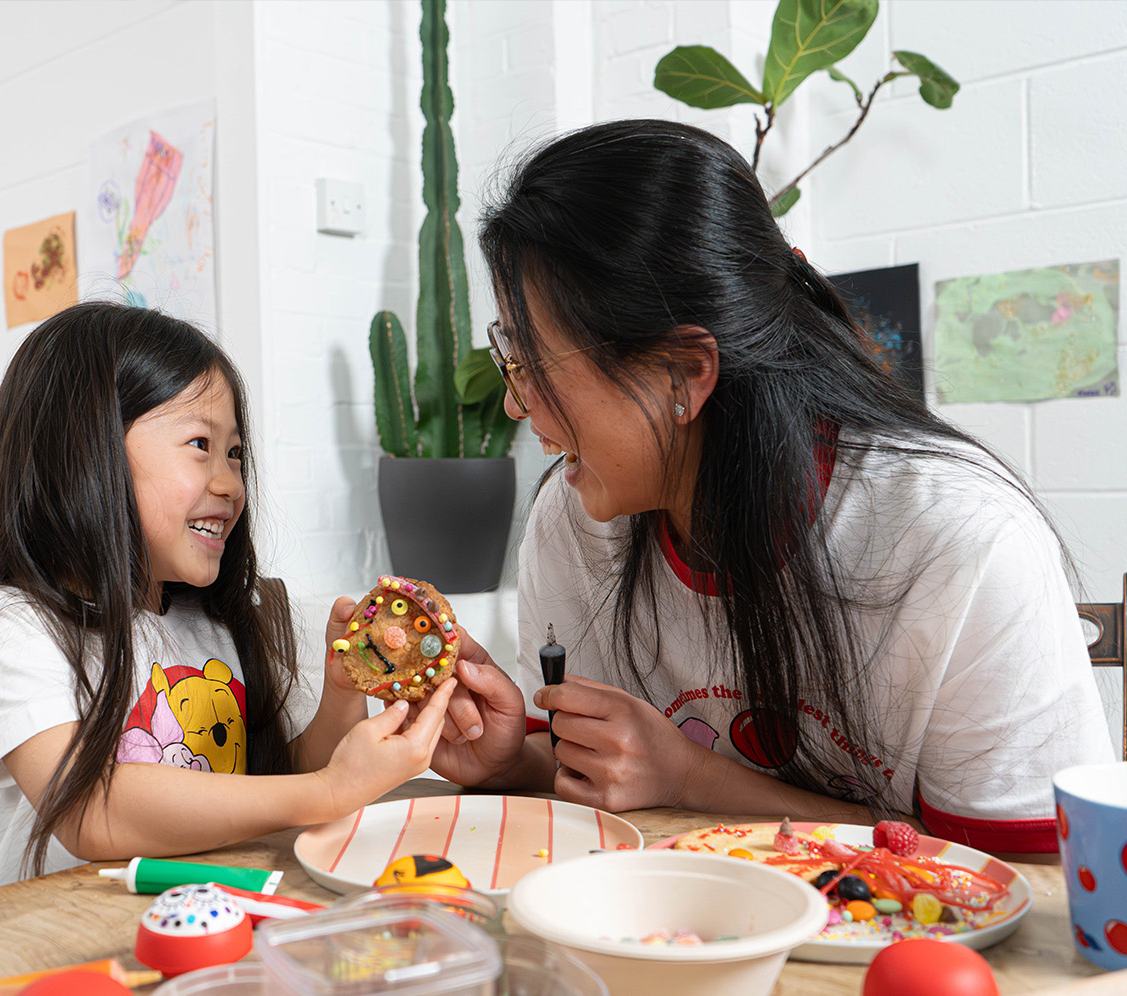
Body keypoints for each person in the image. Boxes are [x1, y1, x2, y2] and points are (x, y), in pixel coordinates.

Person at [424, 119, 1114, 853]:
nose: (513, 404)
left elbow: (1028, 873)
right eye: (511, 356)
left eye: (533, 360)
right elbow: (592, 778)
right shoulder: (574, 522)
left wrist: (692, 777)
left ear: (684, 372)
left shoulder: (960, 541)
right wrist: (511, 761)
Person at [0, 302, 455, 889]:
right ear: (85, 452)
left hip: (213, 924)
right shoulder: (5, 625)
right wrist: (329, 791)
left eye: (234, 453)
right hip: (62, 948)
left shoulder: (212, 623)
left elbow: (281, 781)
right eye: (200, 444)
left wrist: (340, 694)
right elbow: (87, 809)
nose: (230, 484)